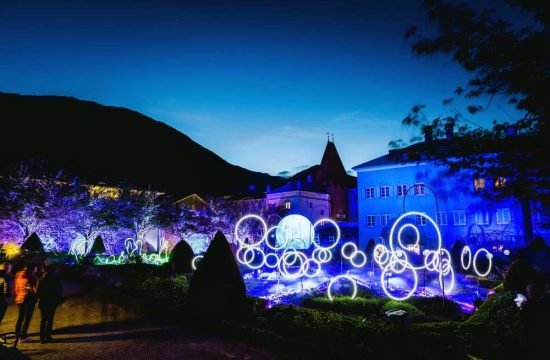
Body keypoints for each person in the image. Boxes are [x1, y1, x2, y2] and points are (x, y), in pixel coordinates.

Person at [36, 264, 62, 343]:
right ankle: (48, 336)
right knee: (50, 319)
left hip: (43, 302)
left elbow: (38, 293)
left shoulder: (41, 280)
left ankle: (42, 338)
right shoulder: (55, 280)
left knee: (43, 320)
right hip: (52, 302)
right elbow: (59, 291)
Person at [14, 264, 37, 343]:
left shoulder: (18, 275)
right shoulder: (31, 278)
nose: (35, 271)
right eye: (34, 270)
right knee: (27, 318)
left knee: (20, 317)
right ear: (31, 270)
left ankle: (17, 335)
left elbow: (16, 288)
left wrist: (18, 295)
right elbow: (33, 290)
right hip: (28, 299)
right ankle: (23, 337)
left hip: (19, 298)